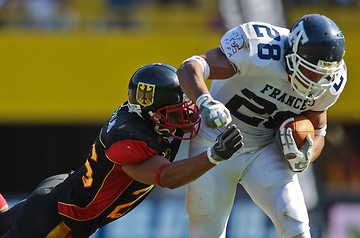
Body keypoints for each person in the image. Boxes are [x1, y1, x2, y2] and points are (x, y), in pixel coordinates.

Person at [0, 63, 243, 237]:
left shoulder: (140, 115)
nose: (184, 116)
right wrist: (213, 156)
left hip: (61, 192)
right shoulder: (128, 138)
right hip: (61, 218)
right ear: (151, 111)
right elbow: (165, 177)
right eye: (175, 112)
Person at [176, 14, 346, 237]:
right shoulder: (259, 49)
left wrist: (306, 154)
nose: (315, 81)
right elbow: (190, 68)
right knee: (206, 229)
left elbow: (318, 132)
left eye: (322, 75)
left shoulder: (330, 82)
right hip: (215, 140)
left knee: (295, 223)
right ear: (292, 54)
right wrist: (205, 102)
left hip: (263, 147)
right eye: (310, 70)